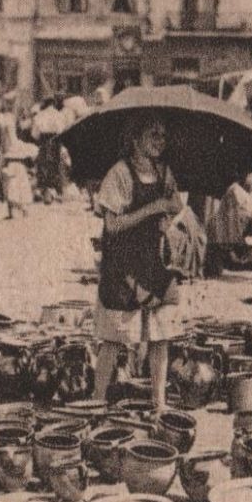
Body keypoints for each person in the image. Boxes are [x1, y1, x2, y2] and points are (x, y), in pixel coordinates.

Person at [92, 120, 185, 411]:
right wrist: (151, 209)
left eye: (163, 135)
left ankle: (159, 403)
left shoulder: (164, 172)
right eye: (153, 134)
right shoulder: (119, 173)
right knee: (114, 338)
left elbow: (176, 206)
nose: (160, 140)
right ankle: (96, 401)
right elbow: (112, 224)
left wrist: (169, 218)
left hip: (153, 261)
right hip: (123, 263)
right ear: (135, 140)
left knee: (161, 333)